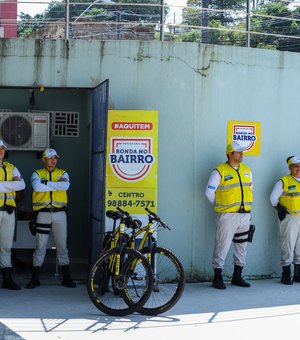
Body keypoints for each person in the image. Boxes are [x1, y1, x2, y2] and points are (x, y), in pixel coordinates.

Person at [205, 141, 253, 290]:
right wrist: (221, 207)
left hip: (244, 215)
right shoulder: (219, 171)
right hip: (227, 215)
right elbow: (208, 193)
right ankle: (217, 276)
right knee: (222, 244)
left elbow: (251, 189)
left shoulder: (247, 170)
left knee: (242, 246)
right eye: (238, 152)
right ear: (229, 153)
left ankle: (237, 276)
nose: (241, 154)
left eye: (242, 152)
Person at [26, 148, 76, 289]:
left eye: (55, 157)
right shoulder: (37, 173)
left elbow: (65, 186)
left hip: (60, 214)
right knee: (40, 246)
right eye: (50, 158)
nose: (53, 160)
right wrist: (55, 185)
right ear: (43, 159)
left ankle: (66, 277)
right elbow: (37, 187)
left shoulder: (63, 172)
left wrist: (46, 183)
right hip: (43, 214)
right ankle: (35, 278)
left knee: (62, 246)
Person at [270, 155, 300, 285]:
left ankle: (298, 274)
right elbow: (273, 199)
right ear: (289, 167)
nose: (298, 168)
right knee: (287, 245)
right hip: (290, 218)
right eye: (295, 166)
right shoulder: (283, 181)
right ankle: (286, 274)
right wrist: (280, 209)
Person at [0, 139, 25, 290]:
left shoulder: (11, 167)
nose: (0, 150)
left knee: (6, 247)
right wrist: (11, 184)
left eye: (2, 148)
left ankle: (7, 280)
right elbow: (16, 185)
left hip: (8, 211)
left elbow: (22, 185)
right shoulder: (11, 171)